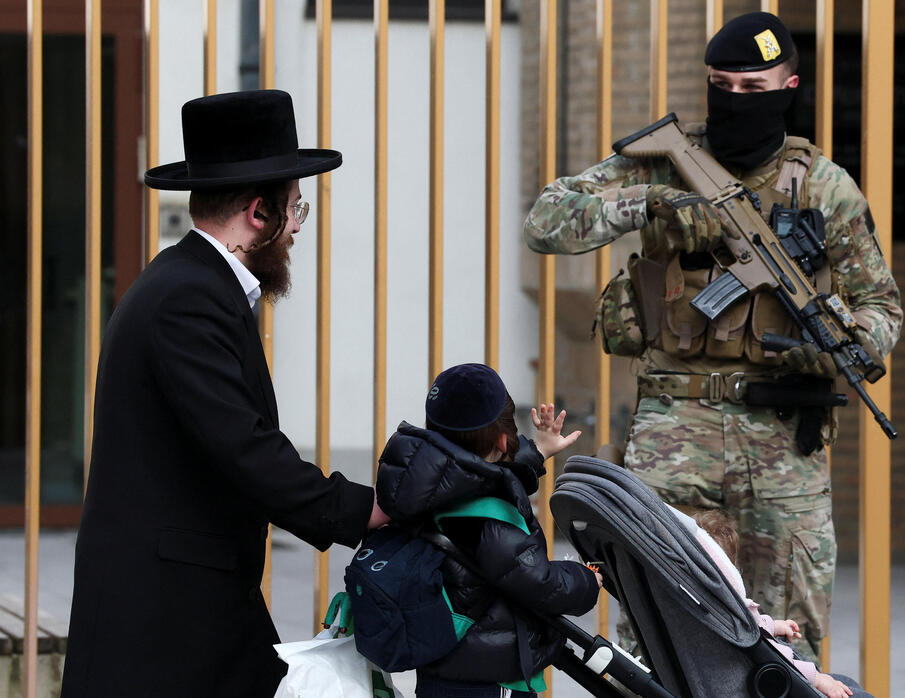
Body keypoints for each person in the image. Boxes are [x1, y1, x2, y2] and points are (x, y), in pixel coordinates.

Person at [523, 11, 902, 663]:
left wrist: (845, 343)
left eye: (753, 90)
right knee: (655, 629)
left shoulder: (822, 187)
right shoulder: (664, 164)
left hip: (783, 438)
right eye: (721, 85)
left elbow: (882, 308)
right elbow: (547, 220)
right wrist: (648, 204)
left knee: (790, 643)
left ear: (790, 87)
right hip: (674, 428)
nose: (734, 101)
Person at [62, 90, 389, 697]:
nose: (297, 229)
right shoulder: (187, 297)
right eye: (295, 211)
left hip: (195, 601)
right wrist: (365, 511)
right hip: (162, 619)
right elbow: (244, 447)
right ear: (258, 212)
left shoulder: (194, 284)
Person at [374, 363, 602, 698]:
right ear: (502, 437)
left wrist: (536, 451)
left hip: (444, 665)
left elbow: (483, 473)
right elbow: (536, 581)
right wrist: (584, 580)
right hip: (489, 677)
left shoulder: (427, 485)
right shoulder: (490, 516)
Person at [690, 510, 871, 698]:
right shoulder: (730, 609)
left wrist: (772, 625)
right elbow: (774, 655)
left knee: (846, 682)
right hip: (771, 680)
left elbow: (752, 627)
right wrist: (816, 679)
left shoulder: (701, 602)